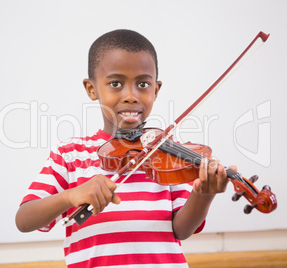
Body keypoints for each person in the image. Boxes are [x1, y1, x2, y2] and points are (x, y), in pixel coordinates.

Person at [16, 29, 236, 267]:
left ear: (156, 90)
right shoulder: (70, 154)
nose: (131, 96)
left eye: (143, 84)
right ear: (91, 89)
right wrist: (71, 195)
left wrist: (204, 194)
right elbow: (24, 220)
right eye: (115, 83)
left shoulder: (169, 156)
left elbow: (182, 229)